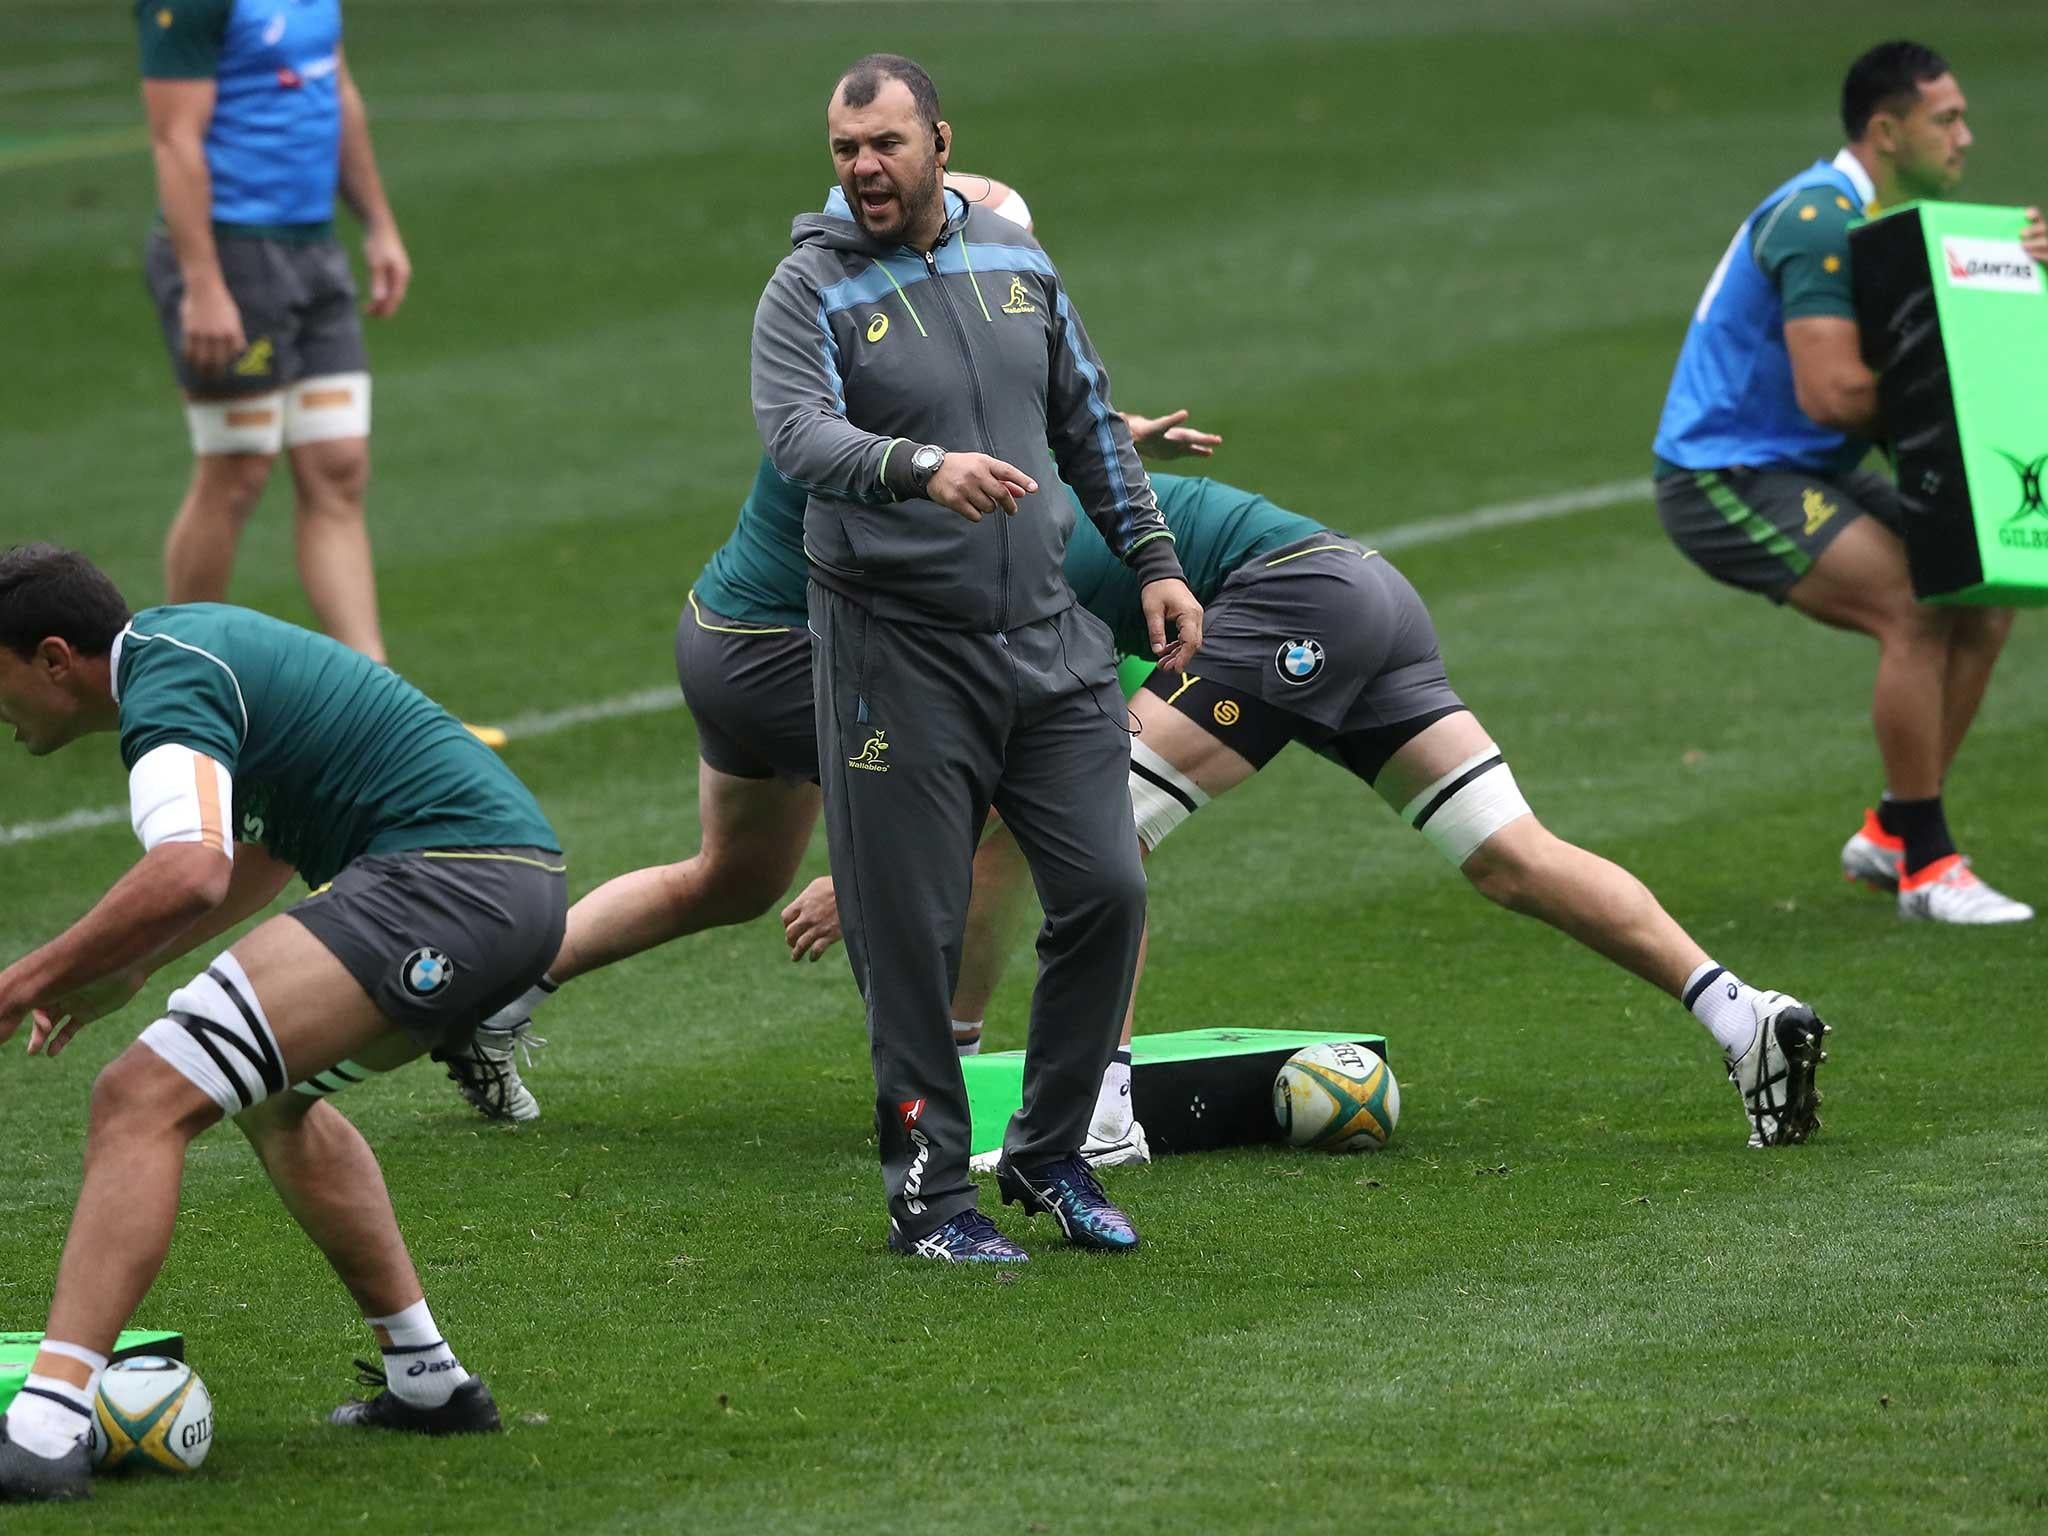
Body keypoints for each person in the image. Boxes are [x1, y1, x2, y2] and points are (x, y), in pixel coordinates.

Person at [778, 473, 1836, 1158]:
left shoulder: (994, 551)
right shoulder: (1037, 490)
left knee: (1098, 828)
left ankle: (1100, 1114)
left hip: (1295, 606)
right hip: (1364, 592)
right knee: (1510, 857)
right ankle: (1741, 1017)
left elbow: (1024, 768)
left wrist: (869, 871)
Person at [749, 53, 1203, 1263]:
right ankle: (931, 1196)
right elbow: (797, 435)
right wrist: (918, 465)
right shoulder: (807, 289)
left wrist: (1153, 561)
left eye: (885, 145)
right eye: (845, 152)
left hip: (1046, 643)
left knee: (1106, 892)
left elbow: (1084, 421)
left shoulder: (1017, 261)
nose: (863, 171)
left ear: (938, 142)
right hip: (897, 656)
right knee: (912, 934)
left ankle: (1049, 1155)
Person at [0, 546, 565, 1502]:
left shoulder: (169, 681)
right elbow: (261, 851)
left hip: (446, 885)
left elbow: (189, 869)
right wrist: (127, 967)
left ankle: (45, 1428)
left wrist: (24, 979)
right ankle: (429, 1384)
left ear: (55, 659)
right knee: (277, 1105)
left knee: (139, 1098)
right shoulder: (191, 650)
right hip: (503, 887)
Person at [1651, 39, 2046, 924]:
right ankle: (1928, 868)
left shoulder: (1902, 224)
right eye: (1945, 119)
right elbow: (1832, 394)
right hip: (1726, 474)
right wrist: (1963, 406)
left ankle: (1892, 829)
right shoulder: (1820, 217)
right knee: (1913, 603)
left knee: (1982, 597)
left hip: (1803, 467)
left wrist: (2023, 272)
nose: (1966, 137)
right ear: (1886, 129)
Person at [135, 1, 504, 747]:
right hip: (232, 254)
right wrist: (203, 282)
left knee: (339, 466)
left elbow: (336, 90)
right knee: (235, 472)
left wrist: (378, 223)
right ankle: (172, 687)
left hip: (312, 252)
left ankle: (376, 699)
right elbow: (174, 139)